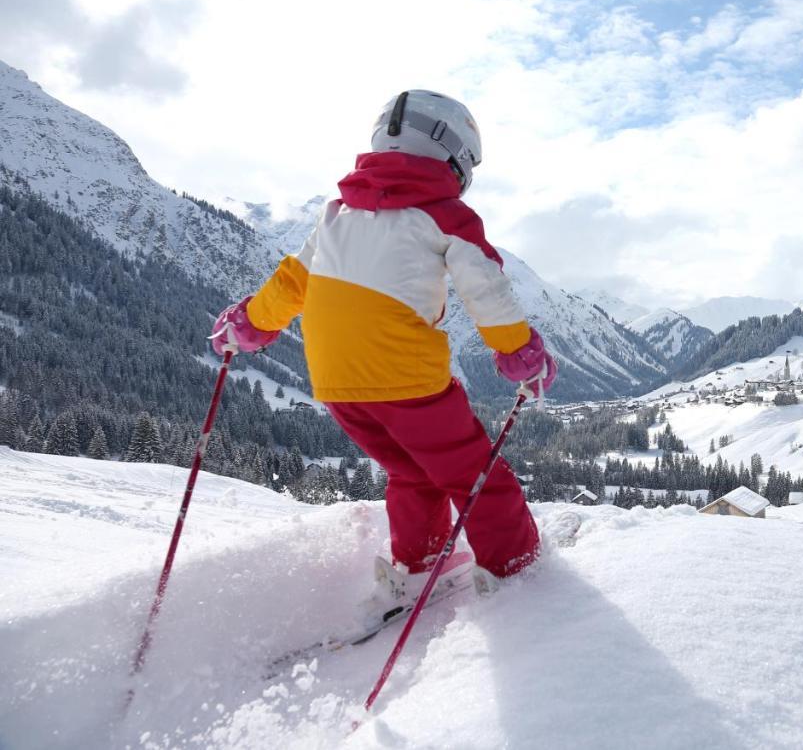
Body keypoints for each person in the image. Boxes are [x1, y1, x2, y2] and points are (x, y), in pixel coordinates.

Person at [210, 89, 555, 619]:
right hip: (406, 380)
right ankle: (519, 571)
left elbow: (290, 284)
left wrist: (249, 326)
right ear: (453, 156)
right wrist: (518, 353)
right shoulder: (445, 215)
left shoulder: (336, 215)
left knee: (412, 470)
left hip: (335, 383)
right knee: (476, 475)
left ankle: (419, 566)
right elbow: (486, 289)